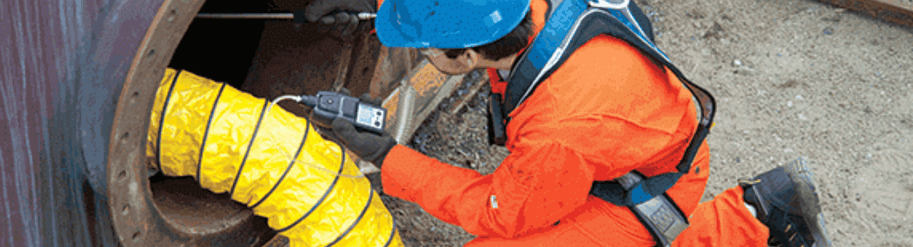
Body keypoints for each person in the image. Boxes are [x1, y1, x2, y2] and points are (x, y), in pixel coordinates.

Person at [303, 0, 831, 246]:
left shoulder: (559, 126)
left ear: (466, 58)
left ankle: (756, 223)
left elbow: (498, 211)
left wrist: (388, 157)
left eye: (425, 49)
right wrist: (379, 7)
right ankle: (759, 213)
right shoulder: (525, 8)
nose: (420, 52)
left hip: (644, 189)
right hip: (632, 145)